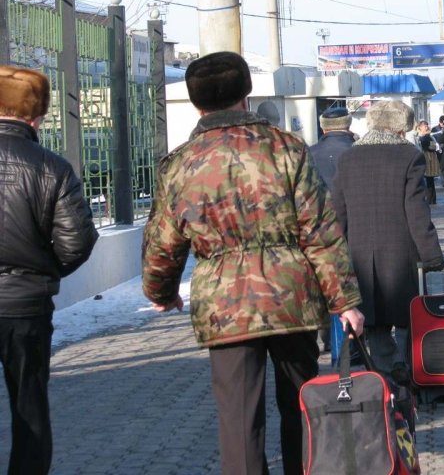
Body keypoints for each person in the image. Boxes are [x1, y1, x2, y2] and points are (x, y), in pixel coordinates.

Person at [141, 51, 364, 475]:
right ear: (246, 94)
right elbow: (320, 232)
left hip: (226, 309)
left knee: (239, 421)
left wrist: (161, 291)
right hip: (291, 299)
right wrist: (344, 302)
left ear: (196, 103)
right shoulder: (286, 149)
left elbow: (163, 241)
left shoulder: (182, 164)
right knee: (303, 407)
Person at [0, 66, 98, 475]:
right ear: (37, 115)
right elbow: (77, 241)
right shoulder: (51, 167)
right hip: (25, 305)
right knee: (29, 404)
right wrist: (41, 272)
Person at [331, 100, 444, 381]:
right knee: (408, 317)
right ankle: (409, 372)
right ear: (400, 127)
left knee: (374, 321)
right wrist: (431, 255)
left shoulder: (348, 158)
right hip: (400, 254)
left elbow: (338, 212)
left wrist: (335, 257)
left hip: (358, 253)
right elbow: (416, 211)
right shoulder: (408, 155)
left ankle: (386, 374)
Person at [309, 106, 357, 352]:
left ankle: (328, 335)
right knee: (351, 283)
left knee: (323, 283)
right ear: (348, 126)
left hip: (316, 232)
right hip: (353, 229)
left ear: (323, 128)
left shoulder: (308, 153)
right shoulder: (357, 152)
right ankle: (351, 336)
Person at [420, 134, 441, 204]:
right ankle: (433, 199)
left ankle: (430, 199)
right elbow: (434, 147)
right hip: (431, 164)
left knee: (429, 183)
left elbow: (428, 147)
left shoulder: (424, 139)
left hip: (428, 163)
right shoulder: (431, 138)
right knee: (431, 182)